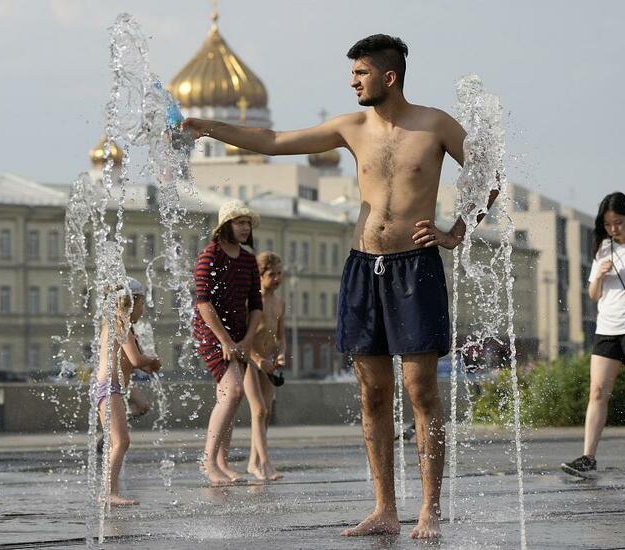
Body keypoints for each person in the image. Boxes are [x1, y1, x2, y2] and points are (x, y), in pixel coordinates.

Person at [184, 34, 498, 539]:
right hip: (363, 269)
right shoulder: (350, 128)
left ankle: (430, 509)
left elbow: (490, 176)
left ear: (389, 76)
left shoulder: (435, 125)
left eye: (361, 74)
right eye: (352, 74)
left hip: (416, 267)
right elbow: (274, 142)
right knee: (373, 393)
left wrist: (456, 232)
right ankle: (384, 509)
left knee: (421, 392)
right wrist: (207, 128)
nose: (353, 81)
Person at [194, 200, 263, 486]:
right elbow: (203, 303)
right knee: (233, 391)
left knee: (229, 399)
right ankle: (208, 462)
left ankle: (222, 462)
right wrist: (223, 340)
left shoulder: (248, 259)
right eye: (239, 222)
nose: (245, 228)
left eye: (247, 222)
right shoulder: (210, 255)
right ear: (225, 227)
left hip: (239, 335)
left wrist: (246, 340)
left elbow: (256, 305)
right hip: (212, 334)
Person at [562, 192, 625, 479]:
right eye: (609, 224)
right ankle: (588, 457)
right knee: (598, 392)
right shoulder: (604, 248)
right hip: (607, 329)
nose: (614, 228)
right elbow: (592, 294)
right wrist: (600, 275)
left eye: (619, 222)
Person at [96, 277, 160, 505]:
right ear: (133, 302)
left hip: (110, 386)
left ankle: (109, 490)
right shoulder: (121, 322)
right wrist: (153, 361)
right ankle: (108, 493)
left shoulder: (114, 323)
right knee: (121, 442)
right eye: (143, 304)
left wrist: (145, 362)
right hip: (109, 387)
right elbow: (135, 358)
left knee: (121, 437)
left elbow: (131, 359)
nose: (143, 310)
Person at [245, 251, 286, 481]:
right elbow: (243, 335)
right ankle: (265, 464)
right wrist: (257, 359)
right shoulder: (252, 301)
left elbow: (282, 336)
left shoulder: (280, 302)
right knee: (258, 410)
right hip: (250, 360)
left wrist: (281, 354)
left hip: (269, 363)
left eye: (280, 274)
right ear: (259, 275)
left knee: (266, 412)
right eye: (272, 274)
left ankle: (254, 461)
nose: (277, 279)